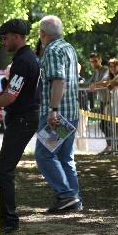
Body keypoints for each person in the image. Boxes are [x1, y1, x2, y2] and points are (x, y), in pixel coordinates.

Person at [0, 19, 42, 233]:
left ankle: (8, 220)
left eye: (5, 38)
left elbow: (11, 96)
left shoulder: (23, 61)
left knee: (3, 171)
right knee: (4, 170)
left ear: (15, 36)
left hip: (22, 118)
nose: (3, 42)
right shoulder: (26, 58)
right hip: (23, 117)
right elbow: (13, 92)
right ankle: (5, 218)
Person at [34, 15, 82, 213]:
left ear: (43, 33)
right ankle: (74, 200)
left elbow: (58, 81)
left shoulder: (52, 51)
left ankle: (66, 195)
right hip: (71, 112)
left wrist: (52, 110)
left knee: (43, 155)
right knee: (64, 157)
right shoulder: (69, 48)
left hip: (57, 115)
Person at [90, 58, 118, 152]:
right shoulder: (111, 76)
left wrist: (95, 84)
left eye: (114, 66)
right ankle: (116, 146)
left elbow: (111, 83)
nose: (112, 68)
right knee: (109, 125)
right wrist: (107, 104)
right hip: (114, 105)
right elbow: (108, 89)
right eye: (110, 67)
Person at [0, 63, 11, 128]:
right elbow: (5, 91)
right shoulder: (3, 80)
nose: (8, 73)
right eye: (8, 71)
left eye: (10, 72)